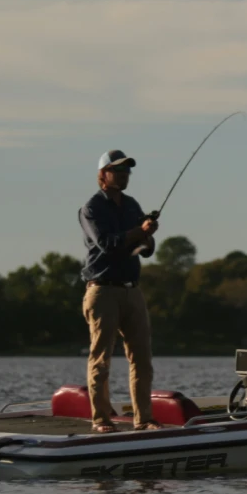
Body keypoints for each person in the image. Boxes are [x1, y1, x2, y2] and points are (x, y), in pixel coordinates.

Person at [79, 150, 165, 433]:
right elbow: (106, 243)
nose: (125, 174)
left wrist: (148, 235)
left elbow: (144, 250)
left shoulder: (131, 206)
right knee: (101, 359)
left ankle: (145, 419)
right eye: (118, 170)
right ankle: (101, 420)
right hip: (102, 291)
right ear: (103, 175)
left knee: (142, 359)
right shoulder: (91, 208)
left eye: (127, 170)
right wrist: (137, 232)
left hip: (132, 291)